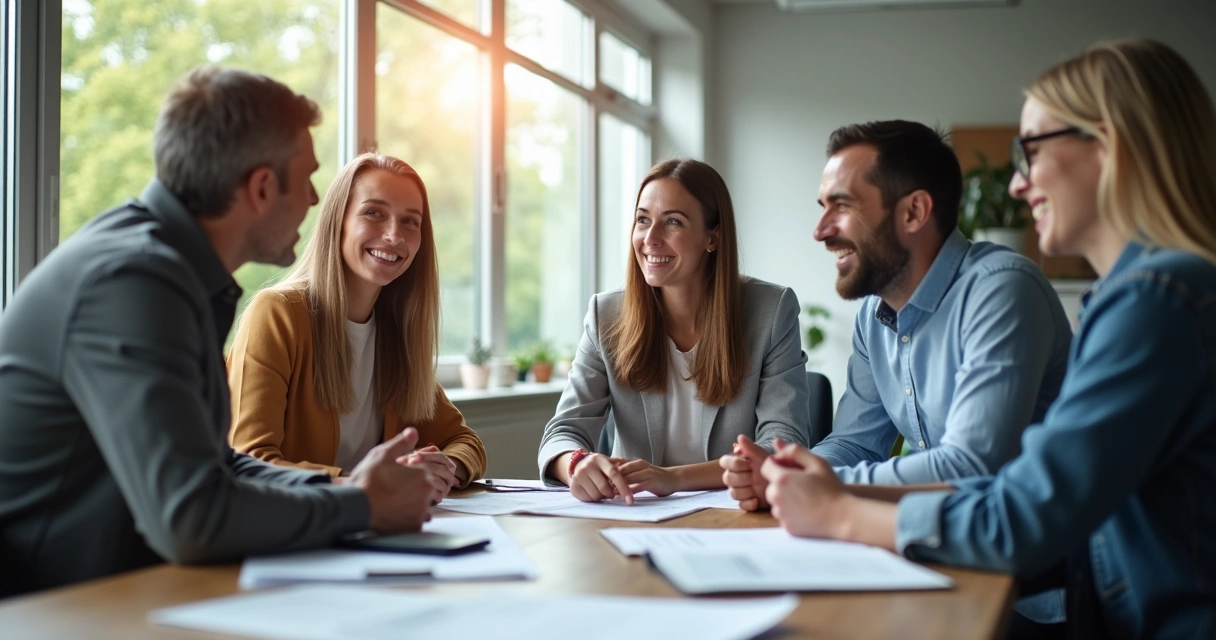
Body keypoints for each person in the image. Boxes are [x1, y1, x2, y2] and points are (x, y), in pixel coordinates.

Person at [761, 39, 1216, 638]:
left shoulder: (1155, 299)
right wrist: (800, 474)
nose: (1020, 185)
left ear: (1108, 146)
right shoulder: (1131, 295)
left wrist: (839, 508)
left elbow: (1023, 511)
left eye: (1030, 151)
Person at [0, 67, 440, 597]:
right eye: (306, 179)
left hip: (110, 591)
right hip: (48, 607)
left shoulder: (169, 272)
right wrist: (362, 504)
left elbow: (218, 463)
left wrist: (346, 486)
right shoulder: (135, 280)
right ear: (260, 187)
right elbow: (191, 516)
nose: (312, 199)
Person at [721, 120, 1072, 508]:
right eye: (823, 208)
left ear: (914, 212)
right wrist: (786, 474)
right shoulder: (874, 313)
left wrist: (818, 481)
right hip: (945, 533)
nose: (820, 231)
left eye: (842, 206)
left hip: (1030, 552)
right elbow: (855, 443)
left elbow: (971, 465)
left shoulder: (1001, 291)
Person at [537, 158, 811, 504]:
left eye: (672, 222)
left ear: (713, 236)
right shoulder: (606, 315)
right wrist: (577, 463)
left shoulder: (770, 311)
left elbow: (782, 446)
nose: (650, 239)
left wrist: (674, 478)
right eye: (642, 220)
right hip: (635, 513)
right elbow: (562, 433)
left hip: (734, 512)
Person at [227, 152, 487, 503]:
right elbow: (249, 462)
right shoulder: (278, 314)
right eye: (373, 213)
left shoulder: (397, 334)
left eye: (410, 222)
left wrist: (444, 468)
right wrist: (364, 487)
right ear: (339, 220)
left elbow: (466, 443)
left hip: (375, 531)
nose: (394, 235)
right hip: (298, 535)